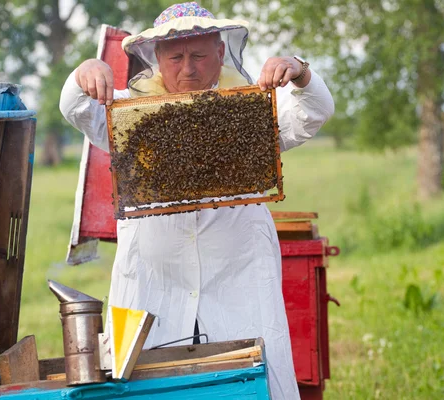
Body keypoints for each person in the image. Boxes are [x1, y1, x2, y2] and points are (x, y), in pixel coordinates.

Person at [59, 3, 334, 399]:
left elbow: (314, 112)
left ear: (220, 54)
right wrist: (85, 71)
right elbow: (75, 107)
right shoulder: (125, 114)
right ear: (156, 59)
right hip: (154, 283)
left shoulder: (251, 111)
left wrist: (301, 71)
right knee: (148, 387)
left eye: (199, 55)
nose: (188, 68)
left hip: (237, 279)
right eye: (176, 57)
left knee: (250, 385)